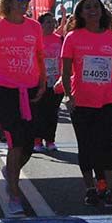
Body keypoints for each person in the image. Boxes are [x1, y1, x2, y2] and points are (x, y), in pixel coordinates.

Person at [0, 0, 46, 216]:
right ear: (8, 1)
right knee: (15, 141)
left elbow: (39, 56)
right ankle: (14, 195)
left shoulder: (34, 27)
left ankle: (10, 170)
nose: (25, 3)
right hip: (4, 90)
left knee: (28, 144)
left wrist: (43, 81)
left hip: (30, 88)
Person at [60, 0, 112, 207]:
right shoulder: (72, 38)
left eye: (96, 6)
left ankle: (107, 189)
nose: (92, 10)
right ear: (80, 13)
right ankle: (91, 187)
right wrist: (68, 96)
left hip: (107, 100)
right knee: (87, 146)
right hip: (81, 101)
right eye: (87, 7)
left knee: (107, 145)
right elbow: (65, 72)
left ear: (102, 11)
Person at [33, 12, 64, 153]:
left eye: (53, 22)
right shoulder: (35, 39)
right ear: (40, 25)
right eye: (48, 22)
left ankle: (50, 140)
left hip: (55, 81)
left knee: (52, 112)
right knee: (38, 112)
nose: (51, 25)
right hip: (38, 82)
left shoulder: (60, 39)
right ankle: (37, 140)